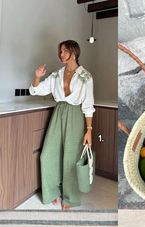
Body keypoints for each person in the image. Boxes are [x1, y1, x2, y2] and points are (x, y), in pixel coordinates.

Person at [29, 40, 95, 210]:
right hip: (58, 114)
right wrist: (37, 76)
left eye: (64, 51)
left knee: (71, 158)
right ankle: (51, 191)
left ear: (74, 52)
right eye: (60, 51)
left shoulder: (86, 76)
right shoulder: (56, 75)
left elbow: (88, 106)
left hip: (75, 115)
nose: (61, 55)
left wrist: (89, 130)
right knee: (47, 155)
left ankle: (70, 198)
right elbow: (36, 90)